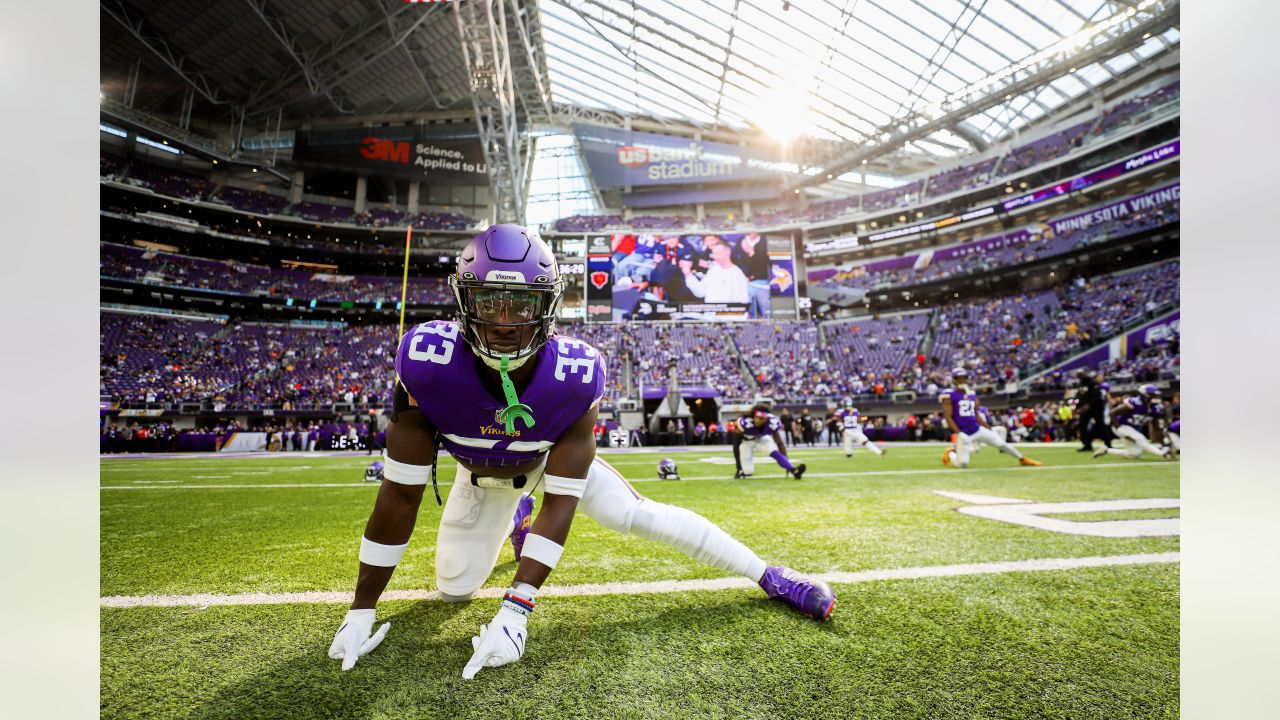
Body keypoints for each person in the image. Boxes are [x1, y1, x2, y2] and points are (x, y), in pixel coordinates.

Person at [329, 225, 835, 678]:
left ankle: (771, 575)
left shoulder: (574, 372)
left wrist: (515, 610)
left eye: (522, 304)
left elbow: (564, 501)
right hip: (479, 476)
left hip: (546, 465)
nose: (505, 322)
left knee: (635, 514)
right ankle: (512, 513)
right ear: (464, 302)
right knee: (455, 588)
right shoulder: (426, 361)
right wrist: (361, 608)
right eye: (489, 302)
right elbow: (399, 496)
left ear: (547, 306)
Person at [941, 368, 1041, 469]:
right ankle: (950, 453)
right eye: (959, 378)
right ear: (954, 380)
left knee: (1001, 444)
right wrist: (958, 432)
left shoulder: (972, 394)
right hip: (964, 433)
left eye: (964, 378)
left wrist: (989, 429)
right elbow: (948, 417)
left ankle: (1022, 459)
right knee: (963, 464)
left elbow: (977, 416)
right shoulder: (949, 395)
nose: (962, 381)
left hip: (977, 429)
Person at [1093, 384, 1171, 460]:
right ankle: (1163, 454)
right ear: (1144, 395)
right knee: (1140, 439)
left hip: (1134, 428)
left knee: (1133, 454)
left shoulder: (1156, 408)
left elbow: (1157, 427)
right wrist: (1119, 428)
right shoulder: (1134, 403)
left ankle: (1106, 450)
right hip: (1121, 425)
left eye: (1156, 395)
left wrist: (1162, 443)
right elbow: (1112, 413)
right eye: (1152, 395)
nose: (1155, 398)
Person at [732, 404, 806, 479]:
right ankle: (743, 471)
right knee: (747, 471)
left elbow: (779, 443)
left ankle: (794, 471)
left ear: (766, 419)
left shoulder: (772, 424)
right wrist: (739, 468)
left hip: (761, 438)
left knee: (773, 451)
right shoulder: (744, 423)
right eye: (756, 417)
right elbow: (736, 444)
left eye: (761, 418)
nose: (758, 420)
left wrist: (787, 461)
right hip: (746, 441)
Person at [682, 239, 749, 304]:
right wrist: (688, 274)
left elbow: (741, 303)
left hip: (727, 314)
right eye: (713, 253)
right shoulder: (713, 270)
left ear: (727, 253)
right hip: (709, 313)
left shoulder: (737, 274)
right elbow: (700, 292)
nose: (714, 257)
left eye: (718, 254)